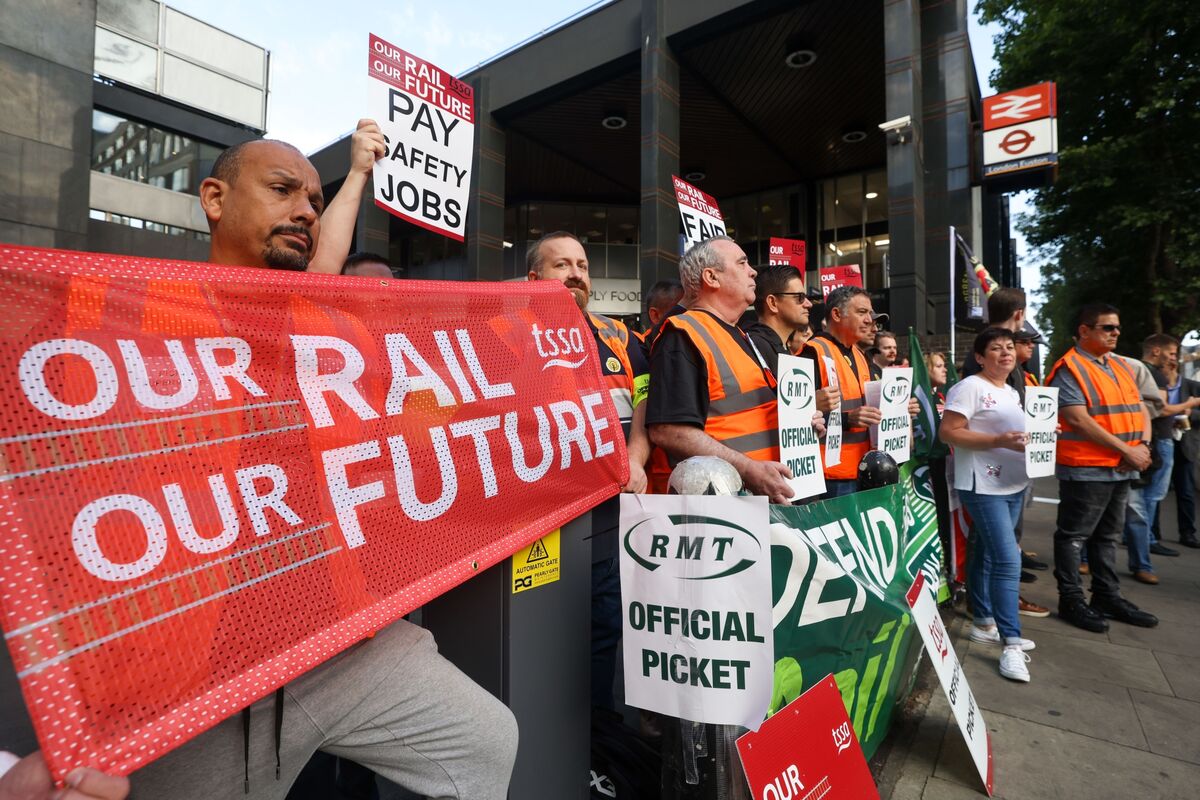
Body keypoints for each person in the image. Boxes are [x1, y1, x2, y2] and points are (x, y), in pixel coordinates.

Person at [116, 137, 520, 799]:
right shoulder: (133, 322)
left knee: (484, 740)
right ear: (214, 200)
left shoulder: (333, 330)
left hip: (340, 640)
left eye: (315, 200)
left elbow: (438, 421)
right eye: (284, 190)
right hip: (196, 685)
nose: (306, 210)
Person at [526, 231, 650, 710]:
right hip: (544, 523)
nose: (576, 273)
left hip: (609, 520)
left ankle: (595, 743)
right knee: (544, 641)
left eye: (581, 264)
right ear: (534, 278)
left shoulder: (619, 335)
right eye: (562, 265)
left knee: (604, 632)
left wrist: (634, 460)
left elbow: (644, 402)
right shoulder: (503, 331)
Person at [646, 237, 800, 504]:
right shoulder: (683, 334)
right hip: (732, 508)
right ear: (711, 278)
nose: (753, 271)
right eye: (742, 263)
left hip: (764, 497)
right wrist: (749, 469)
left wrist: (802, 423)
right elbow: (669, 430)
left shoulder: (740, 334)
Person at [1046, 303, 1158, 632]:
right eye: (1108, 328)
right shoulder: (1070, 367)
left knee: (1108, 537)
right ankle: (1071, 600)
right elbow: (1077, 419)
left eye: (1117, 328)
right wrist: (1130, 451)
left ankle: (1106, 596)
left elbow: (1139, 409)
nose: (1116, 333)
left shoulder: (1120, 366)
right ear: (1085, 330)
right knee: (1074, 537)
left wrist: (1143, 448)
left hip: (1122, 466)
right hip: (1087, 468)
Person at [939, 327, 1037, 682]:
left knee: (984, 551)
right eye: (996, 348)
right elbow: (948, 432)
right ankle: (1010, 643)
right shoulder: (969, 387)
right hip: (983, 485)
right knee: (1008, 558)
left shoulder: (1011, 390)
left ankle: (982, 621)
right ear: (980, 357)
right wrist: (998, 440)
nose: (1006, 353)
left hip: (1013, 483)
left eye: (1010, 347)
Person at [803, 287, 919, 498]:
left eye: (870, 313)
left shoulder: (859, 355)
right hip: (831, 476)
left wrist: (900, 408)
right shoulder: (813, 351)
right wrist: (848, 419)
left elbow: (870, 406)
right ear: (837, 314)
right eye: (862, 312)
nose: (870, 320)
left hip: (862, 470)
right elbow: (799, 417)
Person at [1158, 353, 1200, 548]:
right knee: (1156, 491)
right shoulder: (1158, 386)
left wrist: (1191, 413)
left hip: (1184, 443)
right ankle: (1153, 532)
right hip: (1161, 440)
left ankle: (1188, 533)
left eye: (1163, 369)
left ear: (1173, 367)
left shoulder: (1192, 386)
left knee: (1186, 491)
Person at [743, 264, 813, 375]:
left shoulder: (777, 347)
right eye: (800, 297)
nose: (808, 304)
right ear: (773, 303)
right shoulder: (753, 348)